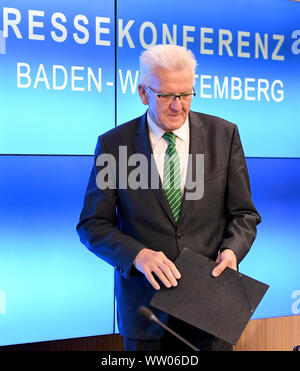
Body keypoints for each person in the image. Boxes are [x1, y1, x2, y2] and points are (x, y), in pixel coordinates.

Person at [76, 44, 261, 351]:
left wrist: (232, 252)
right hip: (146, 316)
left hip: (211, 311)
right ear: (143, 93)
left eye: (186, 94)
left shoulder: (224, 135)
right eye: (166, 96)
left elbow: (244, 215)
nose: (178, 106)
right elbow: (92, 225)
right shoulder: (114, 145)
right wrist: (137, 255)